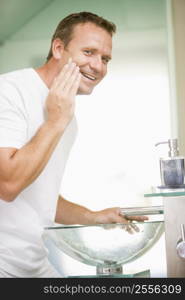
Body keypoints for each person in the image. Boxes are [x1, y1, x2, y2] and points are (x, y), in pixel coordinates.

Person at [0, 11, 147, 278]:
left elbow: (39, 198)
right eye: (89, 52)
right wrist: (56, 121)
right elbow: (8, 185)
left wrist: (95, 216)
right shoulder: (9, 91)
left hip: (33, 263)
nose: (98, 66)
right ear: (58, 48)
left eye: (105, 58)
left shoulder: (67, 116)